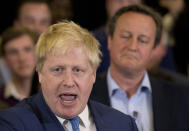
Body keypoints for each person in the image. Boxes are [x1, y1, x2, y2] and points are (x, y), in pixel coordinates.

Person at [0, 21, 138, 131]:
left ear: (93, 75)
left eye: (78, 70)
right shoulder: (11, 124)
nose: (68, 82)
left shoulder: (124, 125)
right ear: (40, 73)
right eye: (58, 69)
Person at [90, 4, 189, 131]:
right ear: (109, 40)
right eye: (125, 36)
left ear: (153, 49)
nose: (132, 46)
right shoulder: (83, 95)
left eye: (143, 40)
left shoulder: (183, 97)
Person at [93, 0, 142, 73]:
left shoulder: (156, 45)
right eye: (118, 1)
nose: (124, 6)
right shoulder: (87, 42)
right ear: (107, 3)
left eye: (131, 1)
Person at [0, 27, 38, 110]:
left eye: (27, 49)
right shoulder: (1, 99)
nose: (22, 58)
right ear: (5, 60)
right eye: (13, 52)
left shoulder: (49, 97)